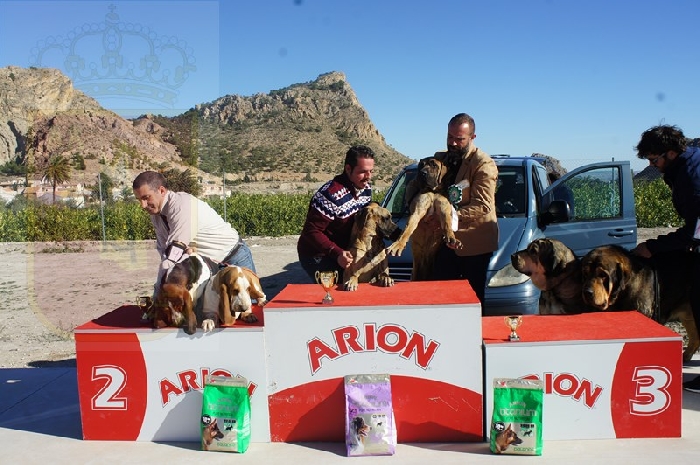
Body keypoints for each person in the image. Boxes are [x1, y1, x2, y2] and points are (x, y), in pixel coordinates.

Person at [631, 125, 700, 394]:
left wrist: (654, 247)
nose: (652, 165)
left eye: (654, 160)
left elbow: (695, 230)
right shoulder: (683, 166)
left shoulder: (692, 176)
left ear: (671, 153)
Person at [132, 171, 257, 292]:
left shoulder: (182, 206)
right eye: (139, 200)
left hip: (233, 259)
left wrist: (159, 291)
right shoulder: (156, 215)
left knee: (246, 304)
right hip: (209, 267)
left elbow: (173, 255)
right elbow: (165, 252)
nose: (143, 205)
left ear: (162, 190)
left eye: (146, 198)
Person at [432, 113, 499, 304]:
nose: (452, 143)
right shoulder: (441, 158)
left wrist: (446, 218)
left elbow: (482, 205)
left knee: (472, 300)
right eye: (449, 137)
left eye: (459, 139)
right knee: (442, 297)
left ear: (472, 137)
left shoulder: (483, 164)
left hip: (474, 245)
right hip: (445, 242)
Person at [297, 145, 375, 281]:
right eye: (363, 172)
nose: (368, 176)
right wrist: (337, 253)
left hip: (343, 251)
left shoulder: (366, 188)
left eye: (371, 171)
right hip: (319, 255)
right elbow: (311, 231)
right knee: (334, 289)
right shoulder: (330, 195)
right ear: (348, 169)